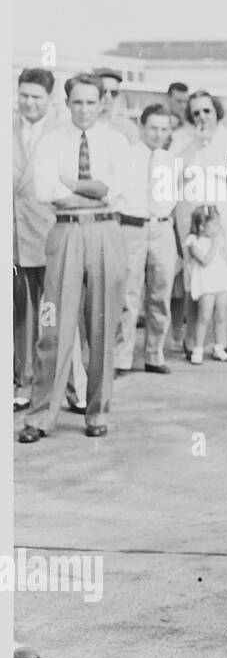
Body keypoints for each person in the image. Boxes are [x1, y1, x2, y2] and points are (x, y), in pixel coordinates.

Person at [18, 73, 131, 443]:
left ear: (102, 103)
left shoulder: (116, 142)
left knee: (100, 328)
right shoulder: (52, 142)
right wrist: (90, 190)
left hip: (105, 234)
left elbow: (116, 192)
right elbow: (45, 190)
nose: (83, 109)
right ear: (67, 104)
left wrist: (72, 185)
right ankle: (40, 416)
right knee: (54, 328)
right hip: (64, 233)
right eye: (77, 102)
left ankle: (97, 412)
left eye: (91, 102)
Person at [13, 67, 87, 413]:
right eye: (24, 95)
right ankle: (25, 384)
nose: (29, 102)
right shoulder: (8, 130)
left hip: (51, 239)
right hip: (15, 242)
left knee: (57, 316)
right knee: (22, 319)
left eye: (36, 97)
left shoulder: (62, 136)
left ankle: (73, 389)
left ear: (49, 99)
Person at [172, 91, 227, 358]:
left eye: (207, 111)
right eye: (196, 112)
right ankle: (193, 339)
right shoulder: (181, 139)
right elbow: (172, 173)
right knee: (195, 277)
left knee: (226, 277)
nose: (202, 117)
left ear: (216, 111)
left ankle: (221, 338)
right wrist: (195, 144)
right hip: (193, 217)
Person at [113, 104, 179, 376]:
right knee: (128, 294)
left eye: (164, 129)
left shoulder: (171, 161)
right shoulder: (126, 156)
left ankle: (154, 353)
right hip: (132, 228)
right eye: (153, 127)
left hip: (162, 229)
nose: (157, 134)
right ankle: (121, 357)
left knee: (160, 293)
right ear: (142, 127)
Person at [182, 205, 227, 363]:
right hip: (206, 283)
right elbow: (205, 260)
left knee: (220, 316)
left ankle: (219, 346)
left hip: (220, 280)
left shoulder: (219, 240)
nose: (218, 228)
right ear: (202, 226)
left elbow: (226, 259)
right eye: (214, 224)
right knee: (204, 316)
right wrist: (214, 245)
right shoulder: (194, 241)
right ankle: (198, 348)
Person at [94, 67, 139, 144]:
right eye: (103, 91)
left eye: (113, 93)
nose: (108, 96)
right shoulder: (83, 124)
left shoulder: (127, 128)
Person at [165, 82, 191, 148]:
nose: (184, 106)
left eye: (186, 102)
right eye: (179, 101)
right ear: (168, 99)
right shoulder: (158, 120)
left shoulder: (191, 122)